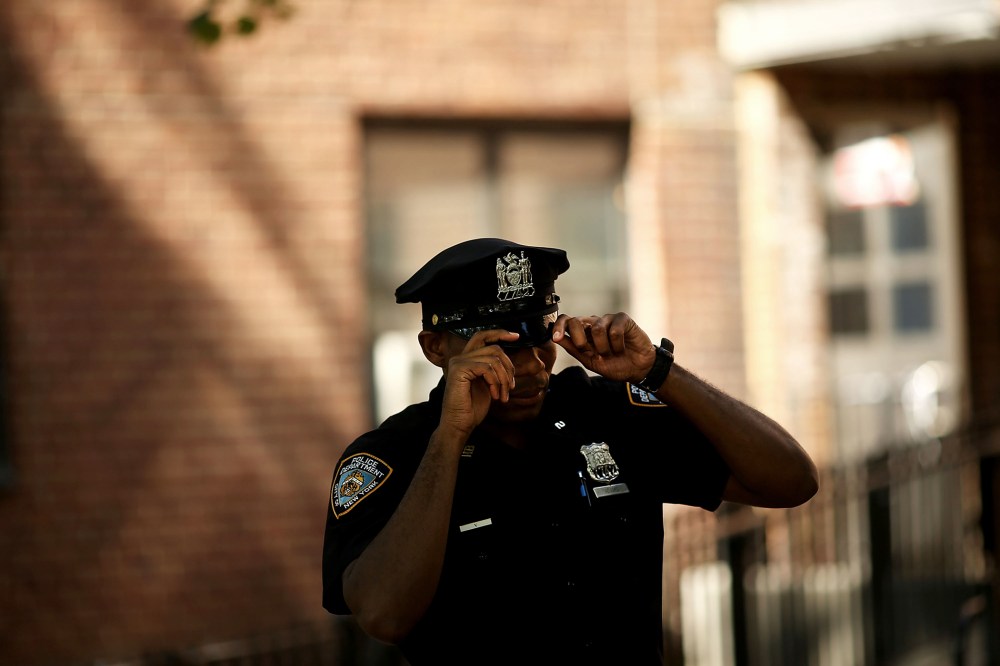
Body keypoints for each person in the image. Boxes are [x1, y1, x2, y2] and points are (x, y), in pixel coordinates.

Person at [322, 238, 819, 665]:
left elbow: (792, 481)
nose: (532, 366)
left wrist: (659, 372)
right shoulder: (393, 454)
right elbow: (384, 614)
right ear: (436, 348)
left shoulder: (606, 410)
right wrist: (449, 438)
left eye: (540, 338)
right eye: (502, 346)